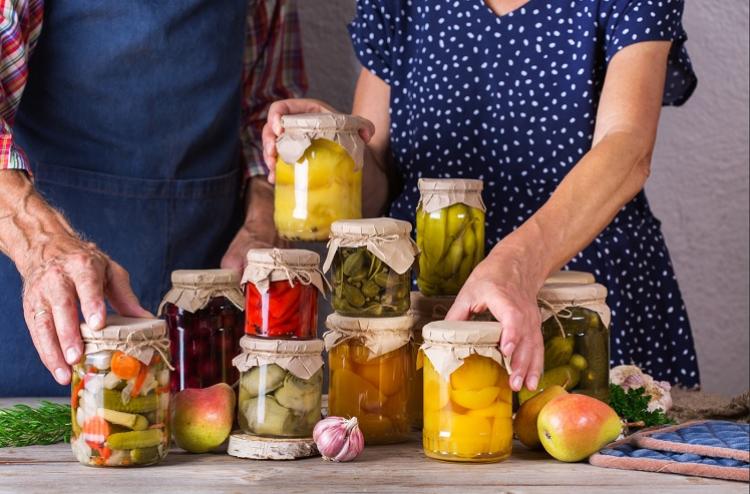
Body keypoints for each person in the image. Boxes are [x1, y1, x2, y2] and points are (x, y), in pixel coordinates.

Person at [263, 0, 700, 393]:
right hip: (432, 312)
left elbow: (628, 146)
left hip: (582, 307)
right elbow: (379, 184)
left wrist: (517, 265)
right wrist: (335, 150)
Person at [0, 0, 304, 396]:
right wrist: (42, 243)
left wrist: (264, 224)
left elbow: (266, 114)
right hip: (48, 316)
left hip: (208, 328)